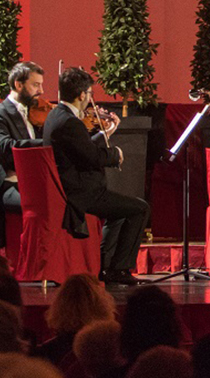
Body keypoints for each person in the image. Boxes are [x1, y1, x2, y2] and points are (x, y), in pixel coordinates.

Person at [44, 66, 150, 285]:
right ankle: (119, 269)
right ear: (82, 95)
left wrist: (105, 133)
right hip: (81, 193)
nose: (90, 98)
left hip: (70, 187)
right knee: (140, 209)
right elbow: (92, 158)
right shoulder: (70, 122)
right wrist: (115, 154)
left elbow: (81, 149)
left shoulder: (56, 115)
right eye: (89, 93)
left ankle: (107, 267)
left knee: (120, 212)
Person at [0, 61, 45, 250]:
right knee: (43, 206)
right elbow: (3, 147)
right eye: (36, 85)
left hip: (34, 183)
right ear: (18, 84)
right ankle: (33, 259)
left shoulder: (35, 113)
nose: (41, 91)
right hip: (9, 187)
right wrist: (45, 143)